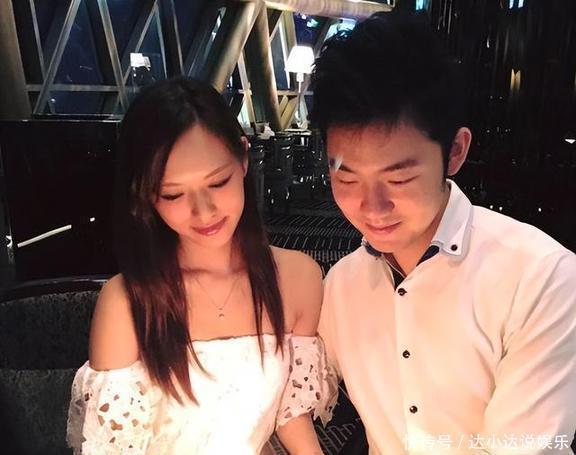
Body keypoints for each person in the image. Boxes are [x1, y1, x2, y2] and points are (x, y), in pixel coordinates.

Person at [311, 11, 576, 455]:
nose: (372, 207)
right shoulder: (340, 284)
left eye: (398, 178)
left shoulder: (541, 278)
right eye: (347, 177)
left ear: (455, 152)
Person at [66, 77, 337, 454]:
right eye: (173, 194)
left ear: (243, 158)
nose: (204, 211)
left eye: (218, 182)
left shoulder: (298, 277)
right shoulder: (128, 302)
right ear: (145, 197)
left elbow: (290, 414)